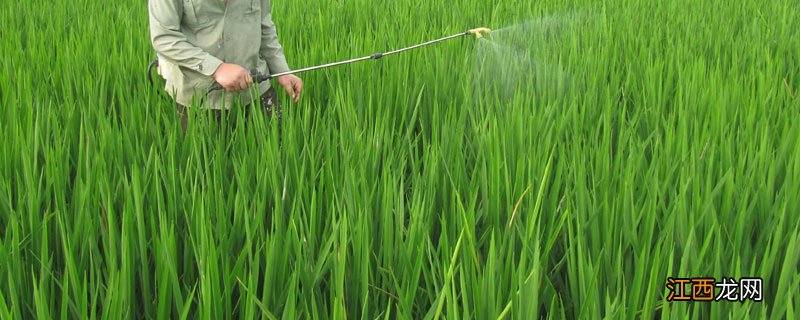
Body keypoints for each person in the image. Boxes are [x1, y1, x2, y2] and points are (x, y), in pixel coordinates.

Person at [148, 0, 302, 133]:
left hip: (255, 88)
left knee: (277, 151)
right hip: (198, 95)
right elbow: (164, 38)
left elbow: (264, 26)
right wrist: (216, 68)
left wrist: (282, 70)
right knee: (202, 163)